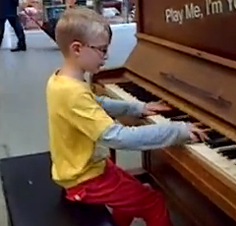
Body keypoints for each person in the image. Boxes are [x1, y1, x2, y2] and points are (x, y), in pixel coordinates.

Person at [46, 7, 208, 226]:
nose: (106, 56)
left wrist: (138, 108)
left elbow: (96, 103)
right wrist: (178, 130)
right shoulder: (72, 92)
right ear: (77, 48)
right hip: (85, 179)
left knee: (140, 192)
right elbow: (117, 137)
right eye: (102, 50)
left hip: (84, 169)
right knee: (154, 201)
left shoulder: (60, 80)